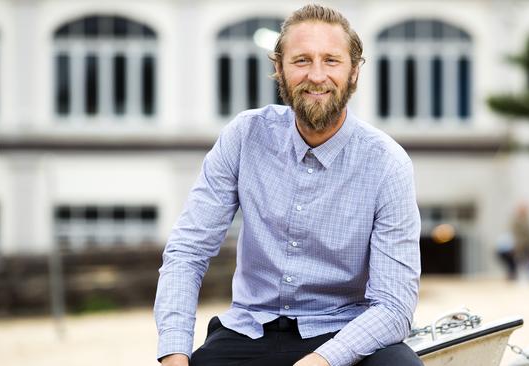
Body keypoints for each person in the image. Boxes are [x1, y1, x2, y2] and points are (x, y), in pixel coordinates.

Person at [154, 4, 422, 366]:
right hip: (250, 329)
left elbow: (394, 305)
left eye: (331, 60)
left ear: (355, 72)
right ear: (278, 68)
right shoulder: (244, 136)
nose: (316, 75)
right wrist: (174, 353)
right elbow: (187, 252)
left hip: (343, 332)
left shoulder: (387, 163)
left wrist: (321, 360)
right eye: (301, 61)